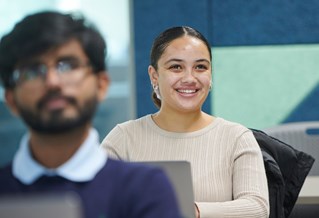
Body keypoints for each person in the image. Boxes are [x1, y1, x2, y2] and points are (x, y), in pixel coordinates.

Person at [0, 11, 182, 218]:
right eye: (33, 70)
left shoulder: (146, 189)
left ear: (101, 84)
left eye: (67, 65)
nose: (52, 82)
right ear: (11, 99)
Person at [101, 26, 270, 218]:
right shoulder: (123, 138)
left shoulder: (236, 137)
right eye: (176, 67)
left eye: (200, 67)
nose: (190, 78)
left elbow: (258, 208)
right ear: (154, 75)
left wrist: (193, 211)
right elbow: (92, 201)